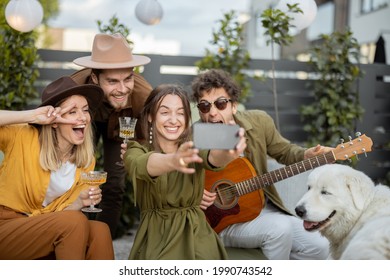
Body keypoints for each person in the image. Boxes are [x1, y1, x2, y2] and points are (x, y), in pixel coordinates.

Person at [191, 69, 331, 260]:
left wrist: (307, 154)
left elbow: (285, 151)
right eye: (205, 106)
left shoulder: (258, 122)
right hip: (222, 220)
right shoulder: (195, 135)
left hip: (263, 209)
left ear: (234, 106)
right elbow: (177, 178)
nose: (213, 113)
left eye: (221, 104)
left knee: (320, 245)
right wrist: (192, 194)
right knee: (279, 229)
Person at [123, 84, 246, 259]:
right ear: (150, 116)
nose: (174, 120)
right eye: (165, 112)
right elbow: (142, 164)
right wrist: (173, 160)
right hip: (157, 240)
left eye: (180, 113)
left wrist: (227, 152)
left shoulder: (194, 145)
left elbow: (212, 157)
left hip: (198, 238)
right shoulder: (134, 149)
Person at [0, 76, 114, 260]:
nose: (83, 117)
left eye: (85, 110)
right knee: (75, 221)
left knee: (100, 230)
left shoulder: (86, 161)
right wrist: (32, 115)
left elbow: (60, 219)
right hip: (5, 226)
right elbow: (68, 223)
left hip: (42, 228)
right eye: (72, 112)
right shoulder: (21, 136)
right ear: (53, 121)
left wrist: (79, 202)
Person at [72, 33, 153, 238]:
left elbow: (156, 137)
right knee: (75, 178)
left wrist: (138, 150)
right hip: (84, 121)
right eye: (112, 81)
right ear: (94, 78)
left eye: (128, 79)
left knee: (115, 184)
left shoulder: (144, 97)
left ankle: (102, 240)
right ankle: (74, 235)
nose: (122, 88)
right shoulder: (74, 89)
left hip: (120, 128)